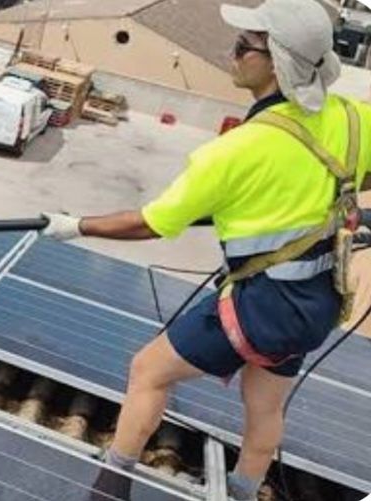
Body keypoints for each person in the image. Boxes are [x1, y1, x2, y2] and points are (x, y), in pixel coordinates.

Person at [41, 1, 371, 499]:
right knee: (264, 408)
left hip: (262, 307)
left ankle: (108, 489)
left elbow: (151, 222)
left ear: (277, 61)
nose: (232, 53)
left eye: (244, 46)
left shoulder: (234, 152)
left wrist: (76, 225)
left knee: (148, 371)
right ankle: (242, 491)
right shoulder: (353, 119)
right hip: (315, 304)